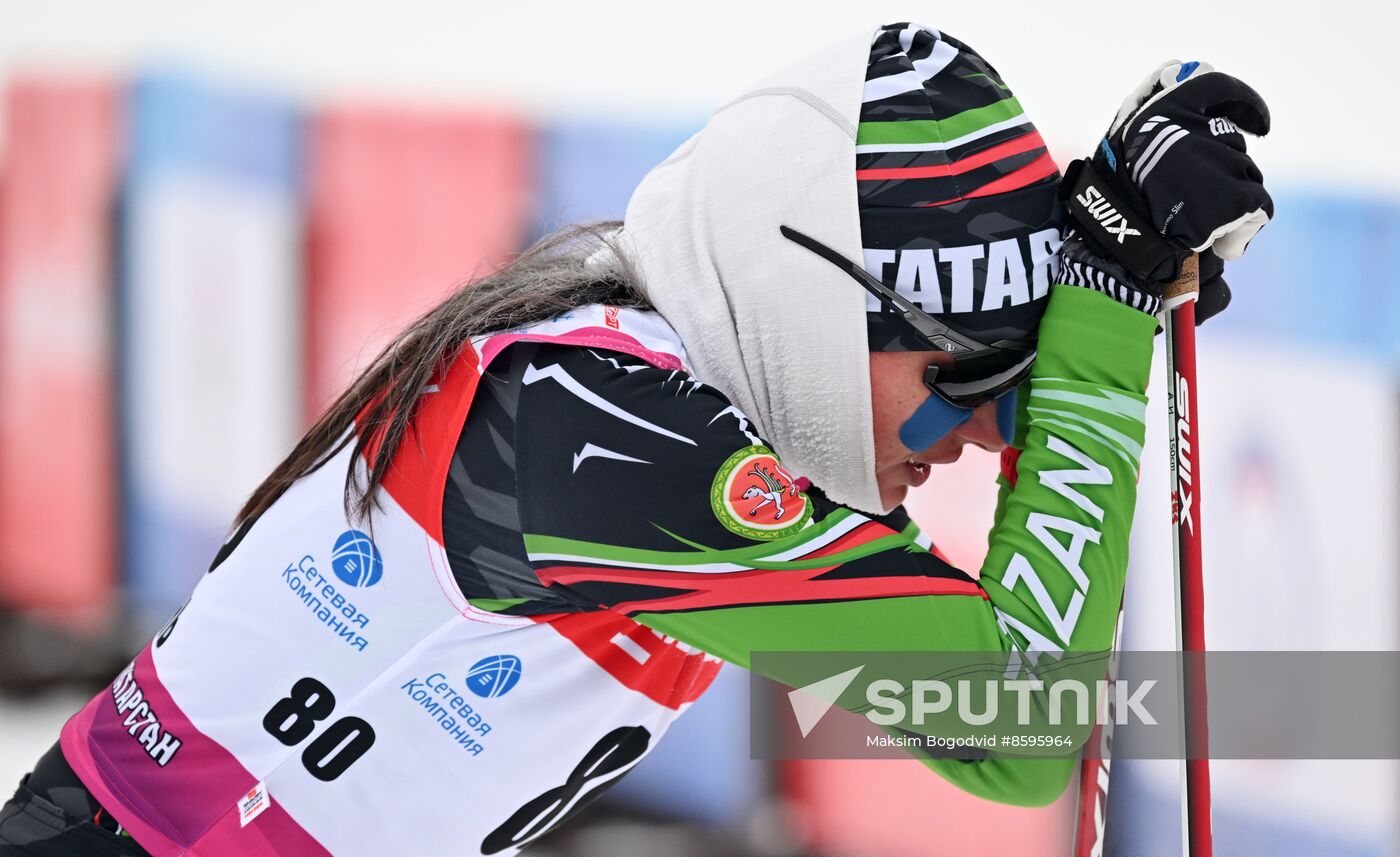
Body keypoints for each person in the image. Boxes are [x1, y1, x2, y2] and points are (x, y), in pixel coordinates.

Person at [0, 22, 1271, 857]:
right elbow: (1012, 720)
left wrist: (1092, 296)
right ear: (814, 297)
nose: (971, 438)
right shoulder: (608, 444)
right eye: (957, 374)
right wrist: (1098, 332)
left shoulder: (633, 372)